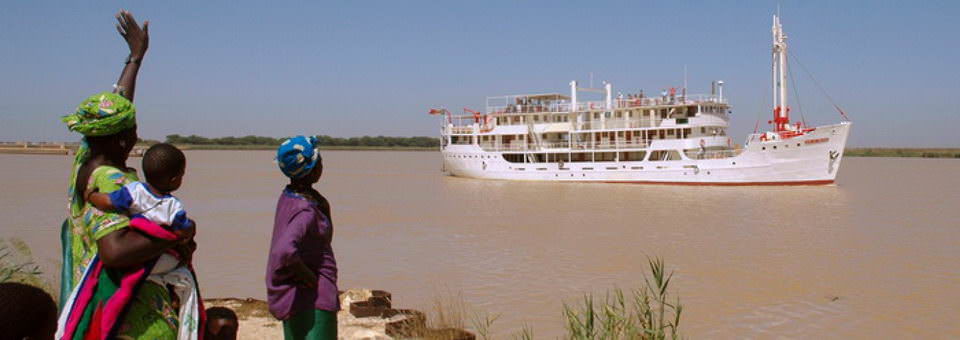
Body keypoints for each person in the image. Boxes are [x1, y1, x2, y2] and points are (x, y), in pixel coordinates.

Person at [56, 10, 199, 339]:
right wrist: (179, 235)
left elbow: (116, 106)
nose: (136, 134)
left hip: (91, 295)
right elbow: (115, 251)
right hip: (131, 311)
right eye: (132, 129)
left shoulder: (86, 160)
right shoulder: (114, 182)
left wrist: (135, 58)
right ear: (122, 138)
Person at [266, 136, 339, 340]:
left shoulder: (290, 196)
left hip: (296, 296)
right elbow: (284, 251)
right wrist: (309, 278)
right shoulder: (305, 211)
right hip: (312, 298)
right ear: (314, 169)